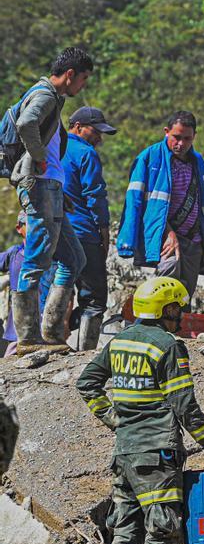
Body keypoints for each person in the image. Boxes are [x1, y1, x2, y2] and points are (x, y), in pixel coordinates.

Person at [75, 277, 204, 544]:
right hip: (157, 453)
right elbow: (185, 408)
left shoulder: (121, 341)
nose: (181, 313)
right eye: (177, 307)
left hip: (124, 452)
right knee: (163, 524)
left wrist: (114, 419)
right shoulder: (168, 345)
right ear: (165, 310)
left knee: (125, 521)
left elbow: (86, 383)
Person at [8, 47, 93, 353]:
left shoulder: (52, 99)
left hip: (51, 188)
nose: (82, 86)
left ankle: (53, 334)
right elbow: (26, 123)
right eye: (82, 79)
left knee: (74, 259)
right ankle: (28, 338)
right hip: (39, 183)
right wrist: (40, 157)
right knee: (37, 258)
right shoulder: (44, 95)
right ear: (70, 74)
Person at [117, 111, 204, 296]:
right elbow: (136, 202)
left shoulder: (198, 162)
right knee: (165, 290)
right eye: (176, 137)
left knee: (184, 297)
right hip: (163, 237)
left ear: (194, 137)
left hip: (193, 241)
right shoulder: (150, 159)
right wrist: (129, 241)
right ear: (166, 131)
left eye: (187, 138)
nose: (181, 143)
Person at [62, 107, 117, 349]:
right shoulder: (86, 153)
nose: (99, 138)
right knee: (94, 299)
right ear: (78, 127)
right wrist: (103, 229)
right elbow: (95, 195)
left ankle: (53, 341)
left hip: (56, 231)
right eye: (96, 132)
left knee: (61, 286)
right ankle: (85, 353)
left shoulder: (53, 148)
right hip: (84, 232)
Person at [1, 216, 27, 356]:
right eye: (31, 224)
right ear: (19, 228)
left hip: (46, 329)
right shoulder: (14, 254)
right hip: (17, 332)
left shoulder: (55, 255)